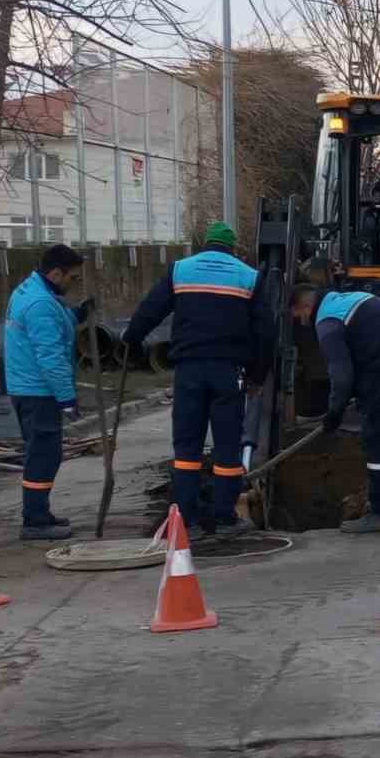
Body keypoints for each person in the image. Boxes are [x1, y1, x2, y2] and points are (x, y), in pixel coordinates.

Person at [124, 221, 274, 537]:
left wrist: (130, 340)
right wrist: (258, 376)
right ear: (232, 248)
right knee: (227, 447)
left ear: (205, 244)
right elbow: (265, 332)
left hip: (189, 370)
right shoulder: (248, 276)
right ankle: (224, 518)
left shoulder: (181, 270)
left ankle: (186, 520)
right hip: (227, 372)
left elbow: (151, 309)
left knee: (187, 447)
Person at [293, 286, 380, 533]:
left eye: (297, 315)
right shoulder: (348, 300)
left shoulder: (327, 321)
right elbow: (366, 348)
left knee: (375, 436)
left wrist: (334, 412)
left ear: (304, 306)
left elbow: (341, 375)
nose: (300, 321)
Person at [3, 243, 92, 541]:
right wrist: (67, 398)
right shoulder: (40, 303)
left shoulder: (31, 290)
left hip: (26, 387)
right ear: (56, 273)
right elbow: (50, 356)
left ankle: (40, 513)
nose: (75, 282)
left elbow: (55, 323)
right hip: (38, 391)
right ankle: (35, 522)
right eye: (73, 277)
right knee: (43, 455)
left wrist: (78, 315)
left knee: (43, 453)